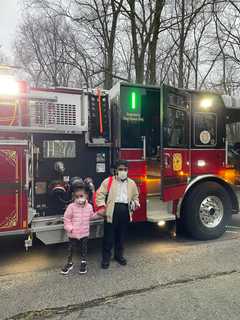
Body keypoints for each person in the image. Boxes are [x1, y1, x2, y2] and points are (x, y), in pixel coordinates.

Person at [96, 160, 140, 269]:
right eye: (120, 169)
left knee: (121, 236)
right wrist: (102, 207)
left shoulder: (131, 183)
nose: (123, 171)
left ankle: (119, 256)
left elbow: (135, 197)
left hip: (125, 212)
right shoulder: (109, 181)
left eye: (125, 169)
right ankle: (106, 258)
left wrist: (135, 203)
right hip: (112, 212)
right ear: (115, 170)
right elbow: (99, 194)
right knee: (108, 237)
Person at [61, 184, 98, 275]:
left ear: (86, 196)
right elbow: (66, 219)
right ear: (74, 197)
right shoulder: (71, 207)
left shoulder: (89, 206)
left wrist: (99, 214)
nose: (79, 198)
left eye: (81, 196)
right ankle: (70, 263)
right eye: (77, 196)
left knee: (84, 249)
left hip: (84, 233)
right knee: (71, 249)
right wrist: (70, 229)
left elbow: (91, 216)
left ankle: (83, 262)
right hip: (73, 233)